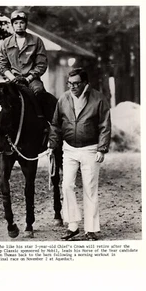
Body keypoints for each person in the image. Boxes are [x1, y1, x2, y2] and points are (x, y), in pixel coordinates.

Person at [48, 68, 111, 241]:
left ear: (85, 83)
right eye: (70, 83)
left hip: (91, 149)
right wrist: (53, 145)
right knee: (67, 185)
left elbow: (105, 125)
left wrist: (102, 148)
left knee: (90, 188)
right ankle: (72, 225)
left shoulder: (98, 98)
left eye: (76, 83)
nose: (73, 87)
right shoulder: (63, 99)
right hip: (69, 148)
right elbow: (55, 124)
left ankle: (90, 229)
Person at [0, 9, 48, 118]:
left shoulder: (36, 41)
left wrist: (28, 78)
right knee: (1, 97)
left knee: (39, 92)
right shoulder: (6, 43)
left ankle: (42, 121)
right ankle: (2, 128)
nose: (19, 25)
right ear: (12, 25)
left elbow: (41, 64)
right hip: (13, 79)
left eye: (22, 22)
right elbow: (3, 65)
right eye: (16, 23)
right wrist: (12, 78)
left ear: (26, 24)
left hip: (31, 79)